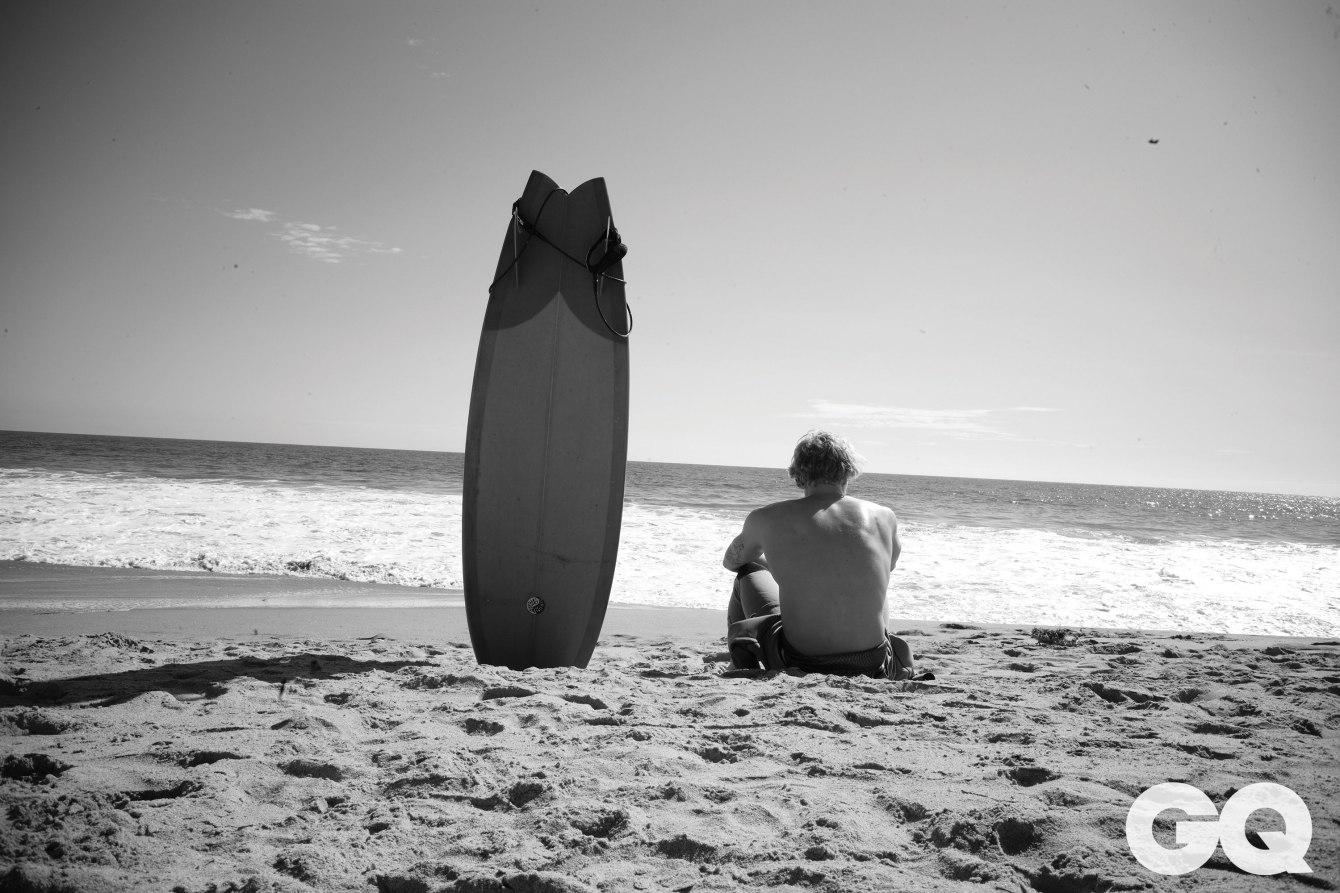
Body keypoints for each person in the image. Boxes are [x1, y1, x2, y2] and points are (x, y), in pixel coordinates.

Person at [722, 430, 913, 678]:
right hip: (872, 661)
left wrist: (773, 563)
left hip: (802, 660)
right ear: (848, 470)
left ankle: (737, 664)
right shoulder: (884, 516)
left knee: (747, 571)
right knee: (871, 586)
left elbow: (732, 561)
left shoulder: (767, 517)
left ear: (798, 472)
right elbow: (888, 567)